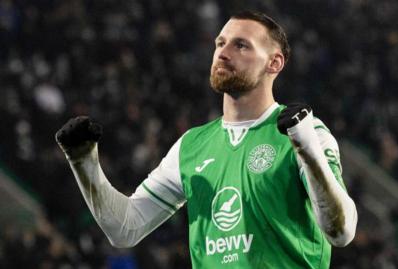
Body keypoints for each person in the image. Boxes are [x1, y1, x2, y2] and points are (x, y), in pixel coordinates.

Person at [55, 11, 357, 268]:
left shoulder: (306, 132)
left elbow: (341, 232)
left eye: (241, 45)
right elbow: (125, 228)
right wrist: (84, 162)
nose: (223, 53)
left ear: (274, 63)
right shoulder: (192, 145)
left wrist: (306, 149)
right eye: (220, 43)